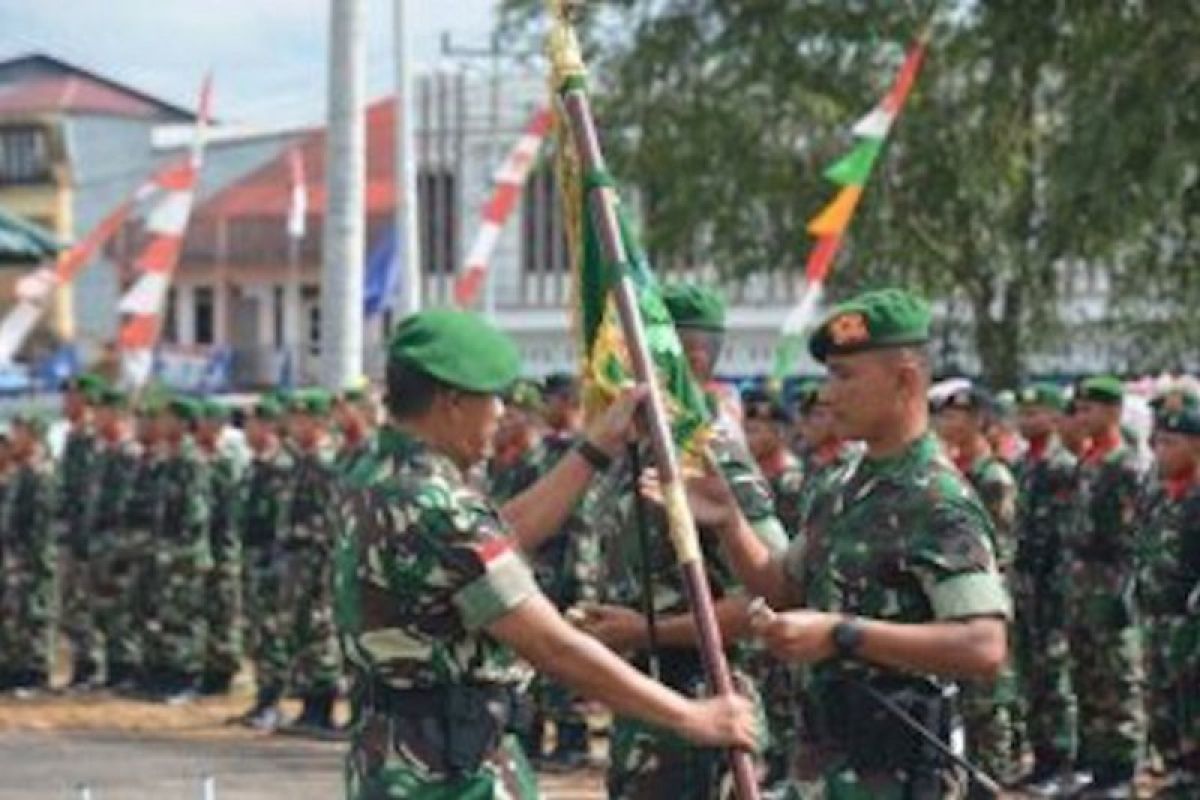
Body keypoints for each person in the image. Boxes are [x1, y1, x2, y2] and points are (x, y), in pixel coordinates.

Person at [335, 309, 756, 799]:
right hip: (451, 771)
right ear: (452, 402)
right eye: (495, 399)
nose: (502, 415)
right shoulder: (440, 508)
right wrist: (690, 716)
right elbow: (550, 645)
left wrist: (593, 450)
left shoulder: (374, 475)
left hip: (391, 758)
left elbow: (492, 539)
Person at [685, 288, 1010, 798]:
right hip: (822, 766)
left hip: (897, 773)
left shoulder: (937, 500)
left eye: (845, 376)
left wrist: (843, 634)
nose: (829, 395)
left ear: (905, 381)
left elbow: (983, 645)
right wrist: (730, 521)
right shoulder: (838, 485)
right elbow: (783, 587)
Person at [582, 283, 787, 800]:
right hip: (645, 705)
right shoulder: (640, 450)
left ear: (689, 358)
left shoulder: (713, 458)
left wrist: (649, 632)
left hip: (705, 705)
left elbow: (767, 600)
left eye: (634, 349)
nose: (619, 363)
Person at [1062, 376, 1147, 798]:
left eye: (1090, 409)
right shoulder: (1089, 460)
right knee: (1087, 675)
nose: (1082, 418)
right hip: (1082, 585)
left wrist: (1126, 592)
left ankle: (1123, 767)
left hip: (1111, 582)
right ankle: (1097, 764)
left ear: (1113, 412)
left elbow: (1136, 537)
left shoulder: (1127, 466)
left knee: (1117, 678)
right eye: (1078, 410)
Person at [934, 384, 1021, 791]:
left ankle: (991, 780)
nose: (947, 423)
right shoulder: (958, 472)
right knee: (964, 702)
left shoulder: (993, 477)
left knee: (989, 701)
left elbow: (997, 549)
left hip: (984, 597)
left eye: (958, 416)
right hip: (958, 600)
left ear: (982, 423)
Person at [1137, 408, 1200, 799]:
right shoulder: (1160, 494)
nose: (1160, 452)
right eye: (1157, 443)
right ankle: (1178, 770)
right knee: (1163, 701)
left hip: (1190, 623)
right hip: (1158, 619)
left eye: (1170, 444)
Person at [280, 389, 342, 735]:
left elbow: (332, 521)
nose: (295, 425)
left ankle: (322, 705)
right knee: (301, 628)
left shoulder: (326, 463)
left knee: (321, 632)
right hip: (298, 560)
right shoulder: (301, 462)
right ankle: (306, 702)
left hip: (319, 559)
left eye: (303, 419)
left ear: (319, 423)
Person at [145, 396, 212, 704]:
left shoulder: (191, 460)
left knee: (185, 617)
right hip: (166, 550)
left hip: (185, 553)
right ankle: (167, 674)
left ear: (183, 424)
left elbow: (194, 515)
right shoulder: (167, 460)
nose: (161, 424)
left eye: (168, 418)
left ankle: (187, 677)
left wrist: (177, 549)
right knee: (166, 614)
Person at [238, 397, 295, 730]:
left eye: (254, 424)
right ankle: (262, 698)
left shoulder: (283, 467)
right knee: (257, 633)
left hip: (275, 562)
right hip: (254, 560)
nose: (248, 430)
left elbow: (280, 521)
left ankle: (274, 701)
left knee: (273, 634)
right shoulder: (257, 465)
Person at [83, 388, 143, 689]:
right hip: (101, 540)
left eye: (101, 412)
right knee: (103, 607)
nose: (95, 417)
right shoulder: (102, 453)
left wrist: (124, 545)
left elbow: (131, 504)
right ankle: (110, 668)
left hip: (121, 542)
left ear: (117, 416)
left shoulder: (129, 454)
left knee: (124, 607)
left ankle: (126, 668)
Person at [0, 414, 57, 696]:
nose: (13, 439)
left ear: (34, 436)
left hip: (34, 558)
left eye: (18, 432)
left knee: (35, 612)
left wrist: (30, 558)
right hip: (16, 556)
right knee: (16, 614)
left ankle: (35, 673)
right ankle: (15, 668)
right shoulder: (20, 473)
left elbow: (41, 525)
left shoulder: (40, 474)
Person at [58, 373, 106, 688]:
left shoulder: (91, 440)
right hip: (71, 533)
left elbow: (91, 492)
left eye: (72, 396)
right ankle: (81, 664)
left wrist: (85, 537)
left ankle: (92, 666)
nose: (66, 403)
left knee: (87, 603)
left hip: (86, 537)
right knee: (71, 605)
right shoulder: (73, 437)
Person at [196, 399, 244, 695]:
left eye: (209, 421)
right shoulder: (201, 459)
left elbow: (230, 509)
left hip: (224, 546)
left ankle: (224, 670)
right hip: (205, 544)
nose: (204, 427)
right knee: (206, 608)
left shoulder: (227, 460)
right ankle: (209, 668)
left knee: (224, 609)